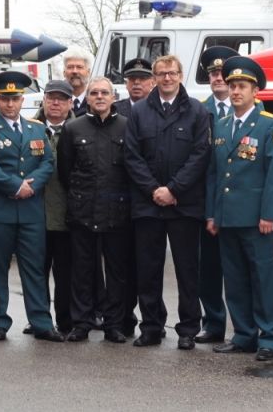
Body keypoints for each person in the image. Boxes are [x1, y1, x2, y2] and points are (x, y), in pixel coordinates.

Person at [0, 71, 64, 342]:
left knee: (34, 269)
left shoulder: (36, 128)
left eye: (15, 99)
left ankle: (41, 322)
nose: (10, 104)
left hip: (31, 211)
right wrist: (15, 186)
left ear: (23, 100)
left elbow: (47, 162)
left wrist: (31, 186)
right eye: (4, 98)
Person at [124, 54, 211, 350]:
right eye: (161, 74)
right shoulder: (139, 112)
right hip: (148, 205)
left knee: (188, 271)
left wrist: (173, 189)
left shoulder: (197, 111)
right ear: (154, 78)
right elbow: (132, 156)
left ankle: (188, 329)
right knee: (148, 270)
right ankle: (151, 327)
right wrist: (154, 190)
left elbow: (200, 155)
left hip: (184, 204)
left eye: (172, 73)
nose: (167, 78)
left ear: (180, 75)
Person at [205, 56, 273, 361]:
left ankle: (270, 338)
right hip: (227, 216)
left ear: (255, 91)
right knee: (235, 279)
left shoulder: (270, 124)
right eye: (232, 86)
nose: (236, 91)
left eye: (242, 86)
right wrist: (212, 213)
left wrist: (269, 214)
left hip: (256, 218)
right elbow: (214, 173)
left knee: (263, 279)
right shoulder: (222, 125)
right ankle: (243, 335)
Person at [59, 77, 132, 343]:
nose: (99, 97)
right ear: (87, 98)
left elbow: (131, 168)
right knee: (82, 271)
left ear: (113, 98)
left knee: (116, 272)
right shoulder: (72, 128)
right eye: (94, 93)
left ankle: (114, 324)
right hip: (83, 211)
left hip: (117, 211)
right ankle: (82, 323)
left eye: (104, 93)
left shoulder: (127, 126)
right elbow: (65, 171)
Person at [22, 80, 76, 337]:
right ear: (43, 100)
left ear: (70, 103)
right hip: (34, 214)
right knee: (36, 272)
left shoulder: (79, 129)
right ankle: (38, 318)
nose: (55, 103)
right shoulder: (27, 129)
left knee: (66, 273)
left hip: (68, 215)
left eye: (61, 98)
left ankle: (66, 321)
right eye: (51, 97)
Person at [194, 45, 235, 344]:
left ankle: (246, 327)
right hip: (206, 201)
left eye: (222, 73)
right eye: (212, 73)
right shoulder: (197, 110)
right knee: (208, 269)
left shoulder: (255, 107)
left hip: (239, 203)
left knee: (240, 270)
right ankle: (213, 323)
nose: (218, 78)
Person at [112, 57, 154, 336]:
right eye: (132, 79)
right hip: (120, 197)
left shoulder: (159, 109)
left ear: (152, 82)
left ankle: (153, 319)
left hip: (149, 197)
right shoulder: (116, 110)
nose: (137, 83)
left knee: (148, 264)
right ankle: (123, 318)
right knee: (121, 264)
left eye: (142, 78)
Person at [61, 45, 94, 117]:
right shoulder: (55, 101)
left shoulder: (96, 100)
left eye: (79, 67)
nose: (75, 71)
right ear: (64, 72)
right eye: (70, 67)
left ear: (88, 72)